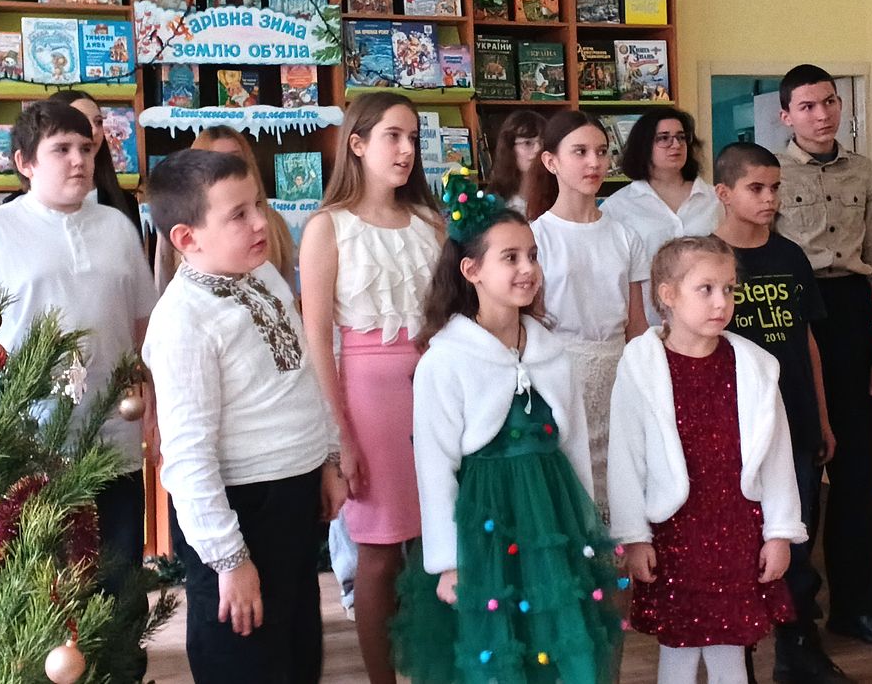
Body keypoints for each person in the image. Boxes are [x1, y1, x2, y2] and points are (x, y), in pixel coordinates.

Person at [391, 168, 622, 682]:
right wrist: (449, 562)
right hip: (486, 525)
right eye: (511, 257)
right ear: (471, 270)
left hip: (553, 521)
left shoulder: (551, 351)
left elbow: (574, 448)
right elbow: (435, 466)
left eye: (532, 256)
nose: (527, 269)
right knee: (498, 649)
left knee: (557, 639)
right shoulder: (446, 360)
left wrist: (587, 532)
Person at [142, 149, 347, 682]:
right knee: (246, 662)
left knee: (298, 655)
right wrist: (229, 561)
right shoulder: (183, 322)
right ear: (187, 238)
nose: (260, 222)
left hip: (292, 500)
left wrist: (327, 459)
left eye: (257, 204)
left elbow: (303, 376)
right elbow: (188, 456)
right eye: (238, 214)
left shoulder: (264, 276)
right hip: (239, 514)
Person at [0, 101, 156, 607]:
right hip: (31, 437)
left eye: (86, 149)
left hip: (114, 431)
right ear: (25, 162)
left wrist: (154, 409)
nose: (78, 160)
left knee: (118, 578)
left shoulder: (117, 226)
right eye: (62, 150)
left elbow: (145, 326)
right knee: (41, 587)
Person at [608, 235, 806, 684]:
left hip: (737, 528)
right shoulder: (641, 367)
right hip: (675, 531)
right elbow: (626, 459)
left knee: (730, 647)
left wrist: (779, 532)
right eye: (706, 289)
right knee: (678, 646)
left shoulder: (755, 368)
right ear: (668, 295)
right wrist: (634, 536)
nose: (722, 302)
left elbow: (776, 458)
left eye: (729, 289)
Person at [299, 91, 443, 684]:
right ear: (356, 144)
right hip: (368, 399)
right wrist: (341, 438)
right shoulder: (327, 227)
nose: (407, 150)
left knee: (437, 545)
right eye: (393, 136)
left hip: (433, 391)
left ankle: (433, 667)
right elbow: (316, 338)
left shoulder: (431, 224)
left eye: (413, 138)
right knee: (380, 552)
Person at [773, 64, 872, 650]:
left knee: (856, 468)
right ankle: (795, 611)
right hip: (794, 316)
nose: (822, 114)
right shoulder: (770, 174)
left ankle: (857, 607)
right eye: (807, 106)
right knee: (798, 469)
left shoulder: (866, 172)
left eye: (829, 102)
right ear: (786, 115)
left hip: (853, 315)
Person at [713, 143, 849, 684]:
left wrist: (822, 417)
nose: (769, 198)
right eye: (756, 188)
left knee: (796, 536)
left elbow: (806, 340)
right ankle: (739, 655)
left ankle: (798, 651)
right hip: (735, 426)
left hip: (795, 420)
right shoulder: (708, 259)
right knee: (738, 543)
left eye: (775, 188)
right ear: (724, 193)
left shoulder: (791, 256)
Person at [526, 110, 646, 517]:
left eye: (601, 151)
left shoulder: (625, 235)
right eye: (580, 152)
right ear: (551, 161)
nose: (594, 162)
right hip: (559, 371)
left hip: (616, 369)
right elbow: (531, 322)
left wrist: (642, 379)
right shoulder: (537, 236)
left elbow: (636, 324)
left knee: (619, 479)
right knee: (571, 483)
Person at [601, 106, 721, 327]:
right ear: (644, 146)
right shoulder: (618, 207)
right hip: (648, 325)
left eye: (681, 138)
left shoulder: (715, 199)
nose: (675, 145)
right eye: (664, 138)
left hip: (711, 321)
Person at [154, 126, 296, 294]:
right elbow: (162, 289)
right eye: (216, 162)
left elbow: (290, 296)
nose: (228, 169)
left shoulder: (273, 222)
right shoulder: (176, 228)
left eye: (235, 159)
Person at [48, 89, 143, 238]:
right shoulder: (17, 208)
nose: (93, 130)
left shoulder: (125, 203)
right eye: (80, 120)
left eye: (98, 122)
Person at [486, 108, 544, 214]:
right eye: (527, 143)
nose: (538, 149)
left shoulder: (560, 197)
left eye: (542, 143)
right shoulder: (495, 202)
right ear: (510, 149)